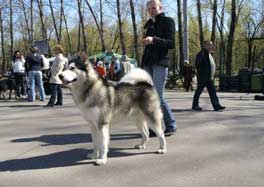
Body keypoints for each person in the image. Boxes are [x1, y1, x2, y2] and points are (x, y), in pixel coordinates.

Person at [141, 0, 176, 136]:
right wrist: (142, 65)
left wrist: (153, 39)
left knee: (158, 97)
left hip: (160, 63)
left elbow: (171, 43)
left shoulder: (168, 21)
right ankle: (155, 127)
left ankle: (171, 125)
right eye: (149, 9)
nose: (151, 10)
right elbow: (147, 48)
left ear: (160, 7)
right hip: (148, 64)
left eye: (154, 7)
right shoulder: (150, 25)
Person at [192, 40, 226, 111]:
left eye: (211, 45)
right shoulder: (201, 54)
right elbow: (197, 64)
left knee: (213, 92)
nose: (211, 46)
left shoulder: (209, 54)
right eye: (209, 45)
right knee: (198, 91)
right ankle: (195, 105)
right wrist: (202, 74)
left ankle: (217, 106)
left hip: (209, 78)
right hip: (203, 78)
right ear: (204, 46)